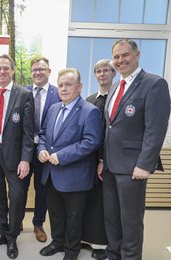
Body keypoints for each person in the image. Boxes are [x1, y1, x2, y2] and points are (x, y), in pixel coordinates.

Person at [103, 39, 170, 260]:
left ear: (137, 55)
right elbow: (110, 127)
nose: (120, 60)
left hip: (133, 168)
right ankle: (114, 255)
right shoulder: (115, 87)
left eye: (125, 55)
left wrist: (144, 164)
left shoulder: (154, 84)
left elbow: (155, 128)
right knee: (112, 218)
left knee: (130, 221)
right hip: (111, 166)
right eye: (116, 57)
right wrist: (103, 161)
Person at [38, 68, 103, 260]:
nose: (64, 88)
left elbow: (91, 141)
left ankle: (72, 250)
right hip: (51, 173)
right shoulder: (53, 109)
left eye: (68, 84)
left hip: (75, 175)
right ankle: (57, 242)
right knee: (56, 213)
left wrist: (62, 155)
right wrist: (41, 149)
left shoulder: (90, 111)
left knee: (74, 217)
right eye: (60, 85)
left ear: (79, 87)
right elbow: (42, 135)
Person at [0, 54, 34, 259]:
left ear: (12, 71)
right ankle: (2, 231)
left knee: (17, 196)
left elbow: (28, 131)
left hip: (15, 155)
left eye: (6, 68)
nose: (2, 71)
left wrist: (26, 159)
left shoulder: (24, 95)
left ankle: (12, 237)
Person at [22, 56, 60, 242]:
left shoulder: (58, 93)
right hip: (24, 150)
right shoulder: (22, 92)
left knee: (42, 188)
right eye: (35, 69)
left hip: (46, 151)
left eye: (42, 69)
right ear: (31, 73)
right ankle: (17, 221)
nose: (38, 72)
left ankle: (38, 224)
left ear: (49, 72)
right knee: (19, 188)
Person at [82, 59, 115, 259]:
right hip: (89, 159)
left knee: (105, 202)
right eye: (98, 71)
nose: (102, 74)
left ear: (113, 73)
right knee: (89, 200)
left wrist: (102, 159)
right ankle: (86, 238)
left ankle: (102, 244)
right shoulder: (90, 99)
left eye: (106, 70)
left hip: (110, 158)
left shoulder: (118, 97)